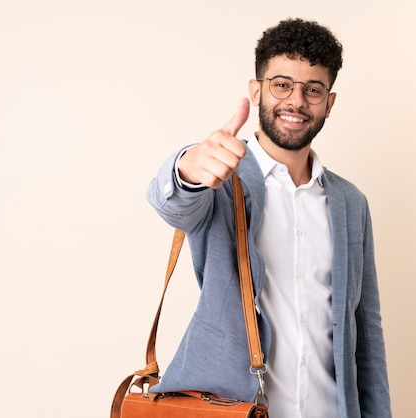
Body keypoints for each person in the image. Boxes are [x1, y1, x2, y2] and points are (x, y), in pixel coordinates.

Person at [147, 18, 391, 418]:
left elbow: (366, 332)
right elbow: (172, 202)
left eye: (312, 89)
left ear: (328, 103)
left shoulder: (351, 203)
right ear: (256, 90)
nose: (295, 101)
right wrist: (187, 170)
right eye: (281, 85)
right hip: (238, 412)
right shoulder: (223, 180)